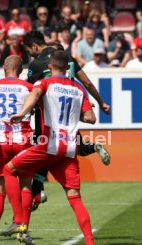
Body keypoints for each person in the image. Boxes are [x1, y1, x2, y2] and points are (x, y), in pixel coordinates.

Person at [3, 50, 99, 245]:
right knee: (75, 197)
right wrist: (78, 113)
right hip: (69, 150)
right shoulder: (78, 89)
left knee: (9, 170)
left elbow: (34, 96)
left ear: (51, 67)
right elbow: (90, 118)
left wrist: (23, 112)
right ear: (67, 67)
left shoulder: (45, 82)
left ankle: (19, 220)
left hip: (48, 145)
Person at [22, 31, 110, 211]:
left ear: (34, 46)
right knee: (74, 146)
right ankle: (93, 147)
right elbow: (87, 83)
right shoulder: (66, 58)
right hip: (69, 110)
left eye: (29, 51)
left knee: (37, 152)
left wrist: (25, 111)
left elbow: (31, 92)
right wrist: (101, 102)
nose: (30, 54)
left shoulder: (36, 64)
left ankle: (37, 195)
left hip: (46, 115)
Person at [0, 55, 34, 245]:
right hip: (23, 139)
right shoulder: (28, 87)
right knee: (26, 184)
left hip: (1, 140)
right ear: (20, 70)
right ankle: (24, 229)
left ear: (5, 68)